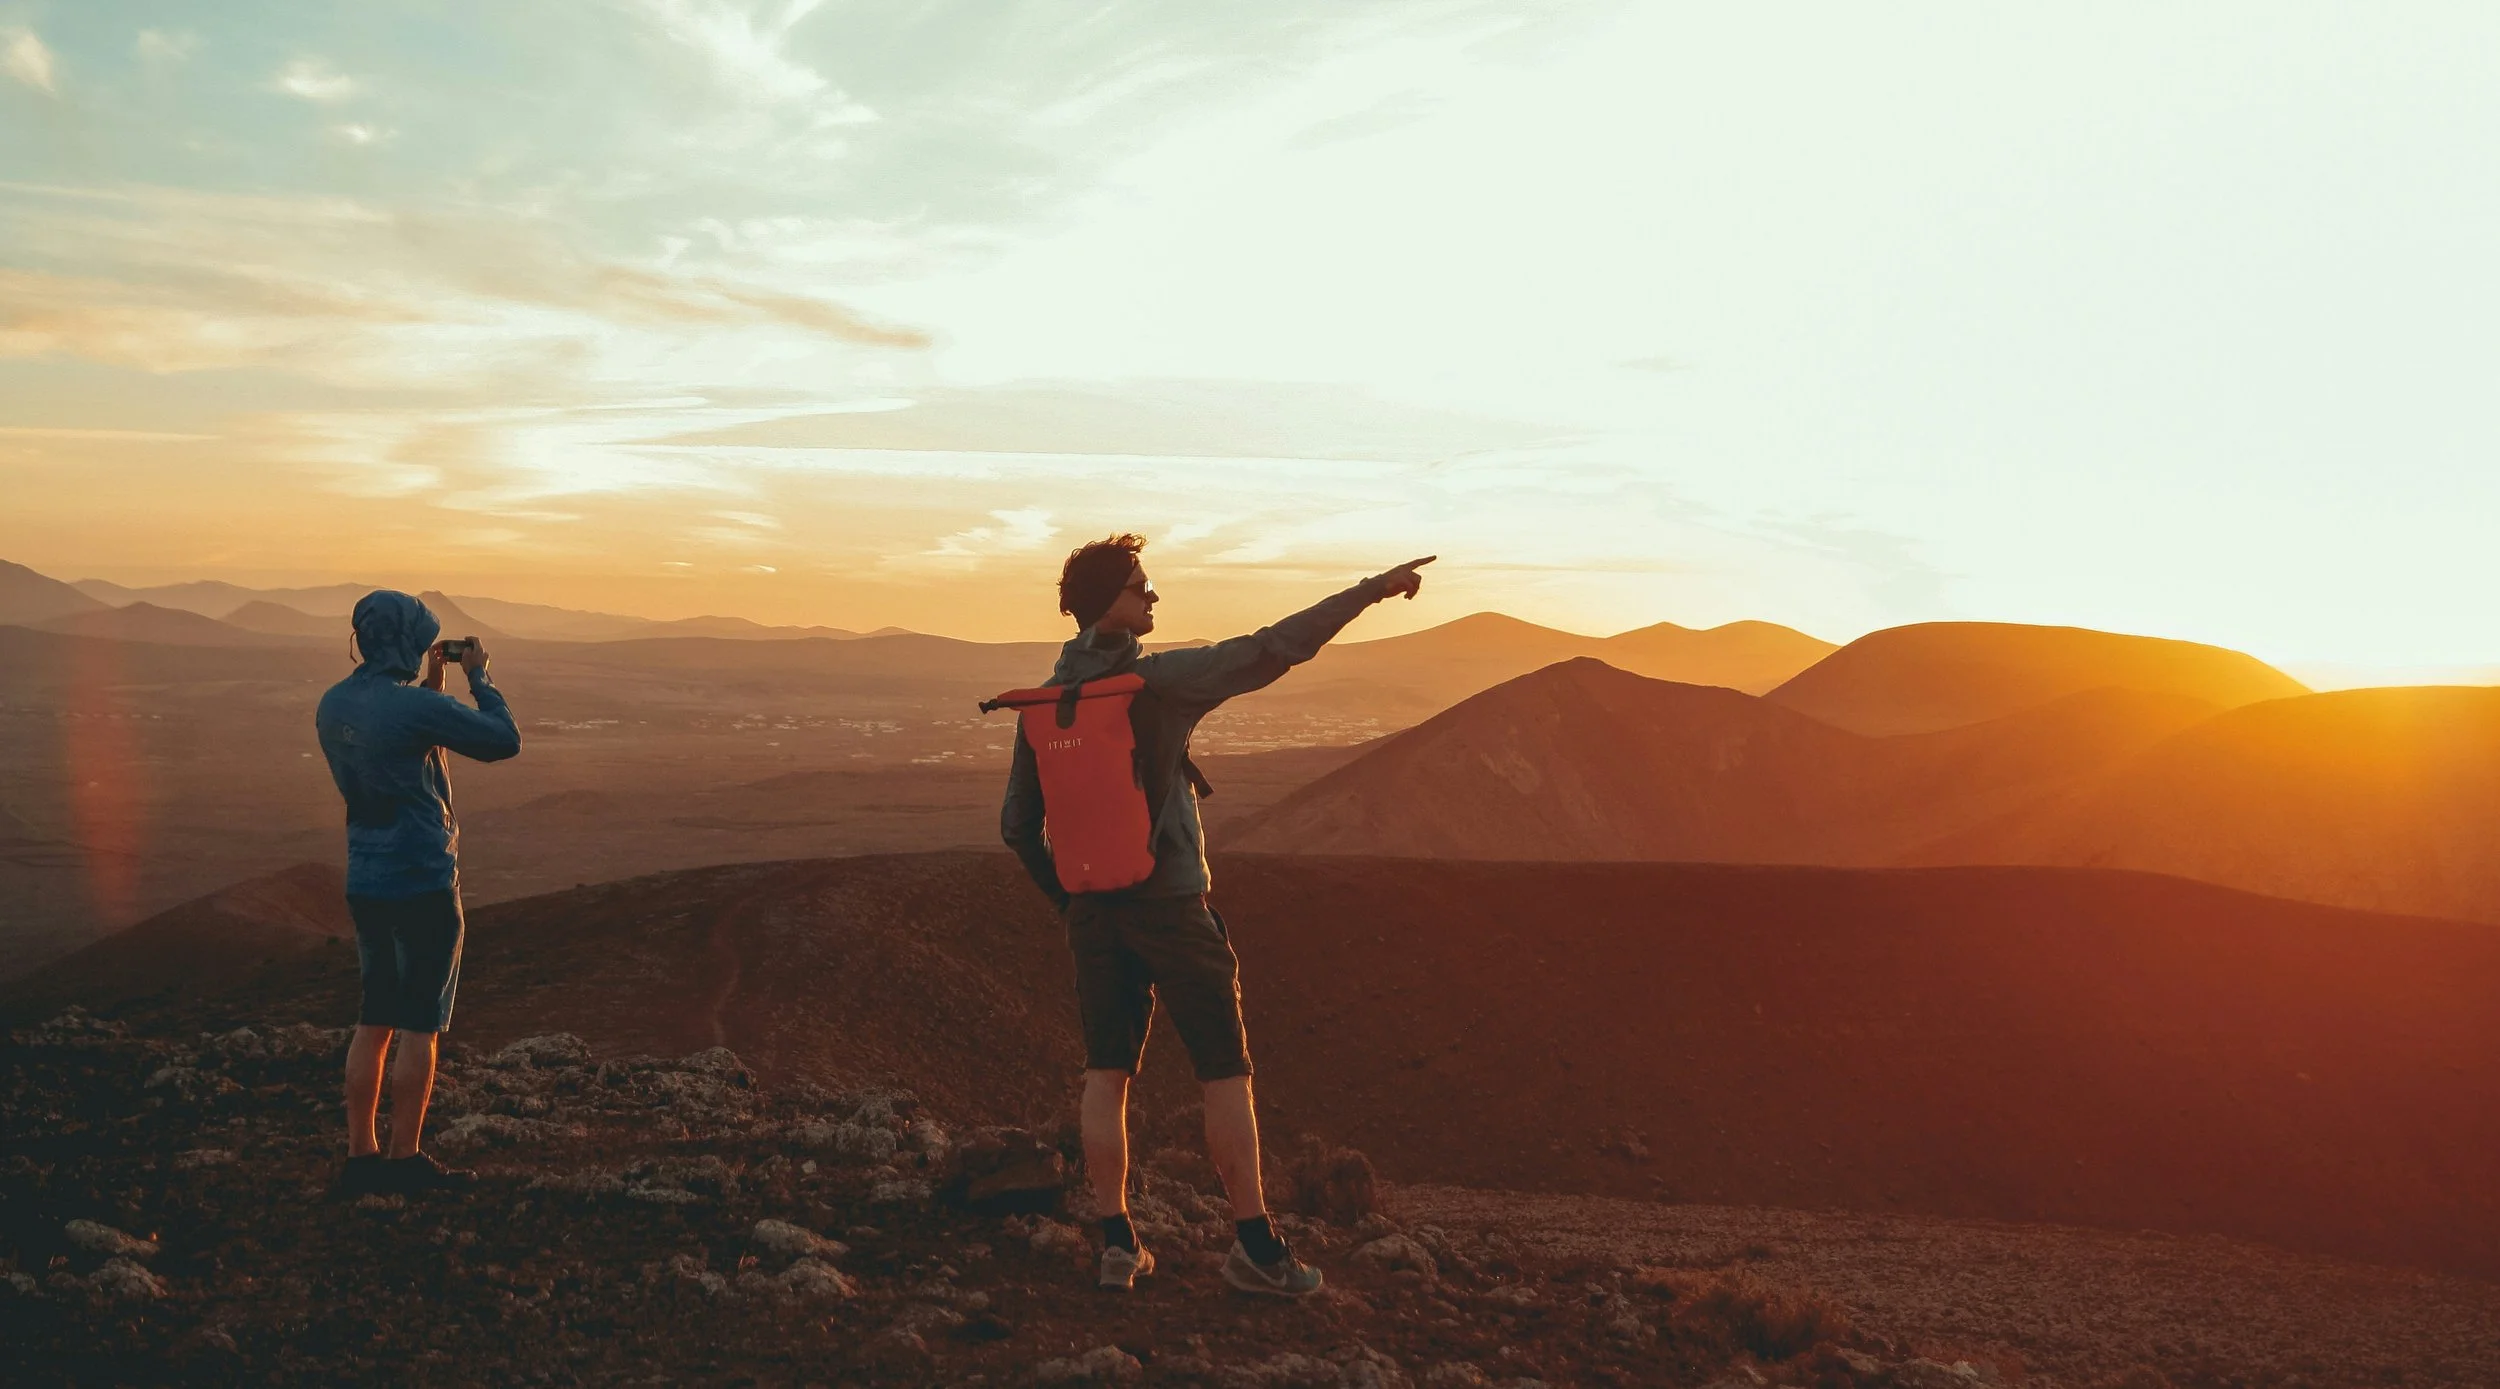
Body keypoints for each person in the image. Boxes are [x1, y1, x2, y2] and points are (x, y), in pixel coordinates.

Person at [1001, 535, 1433, 1296]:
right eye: (1141, 587)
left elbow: (1016, 825)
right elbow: (1273, 648)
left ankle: (1114, 1243)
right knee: (1224, 1071)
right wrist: (1369, 589)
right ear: (1111, 602)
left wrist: (1070, 903)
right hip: (1168, 903)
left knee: (1106, 1074)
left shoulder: (1047, 699)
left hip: (1095, 916)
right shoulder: (1154, 681)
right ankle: (1256, 1249)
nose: (1154, 596)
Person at [315, 591, 520, 1196]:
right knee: (419, 1024)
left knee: (374, 1017)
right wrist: (480, 676)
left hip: (367, 878)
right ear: (406, 640)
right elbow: (501, 740)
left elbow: (396, 736)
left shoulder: (335, 704)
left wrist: (428, 684)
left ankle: (360, 1156)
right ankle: (404, 1159)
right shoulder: (408, 711)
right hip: (423, 881)